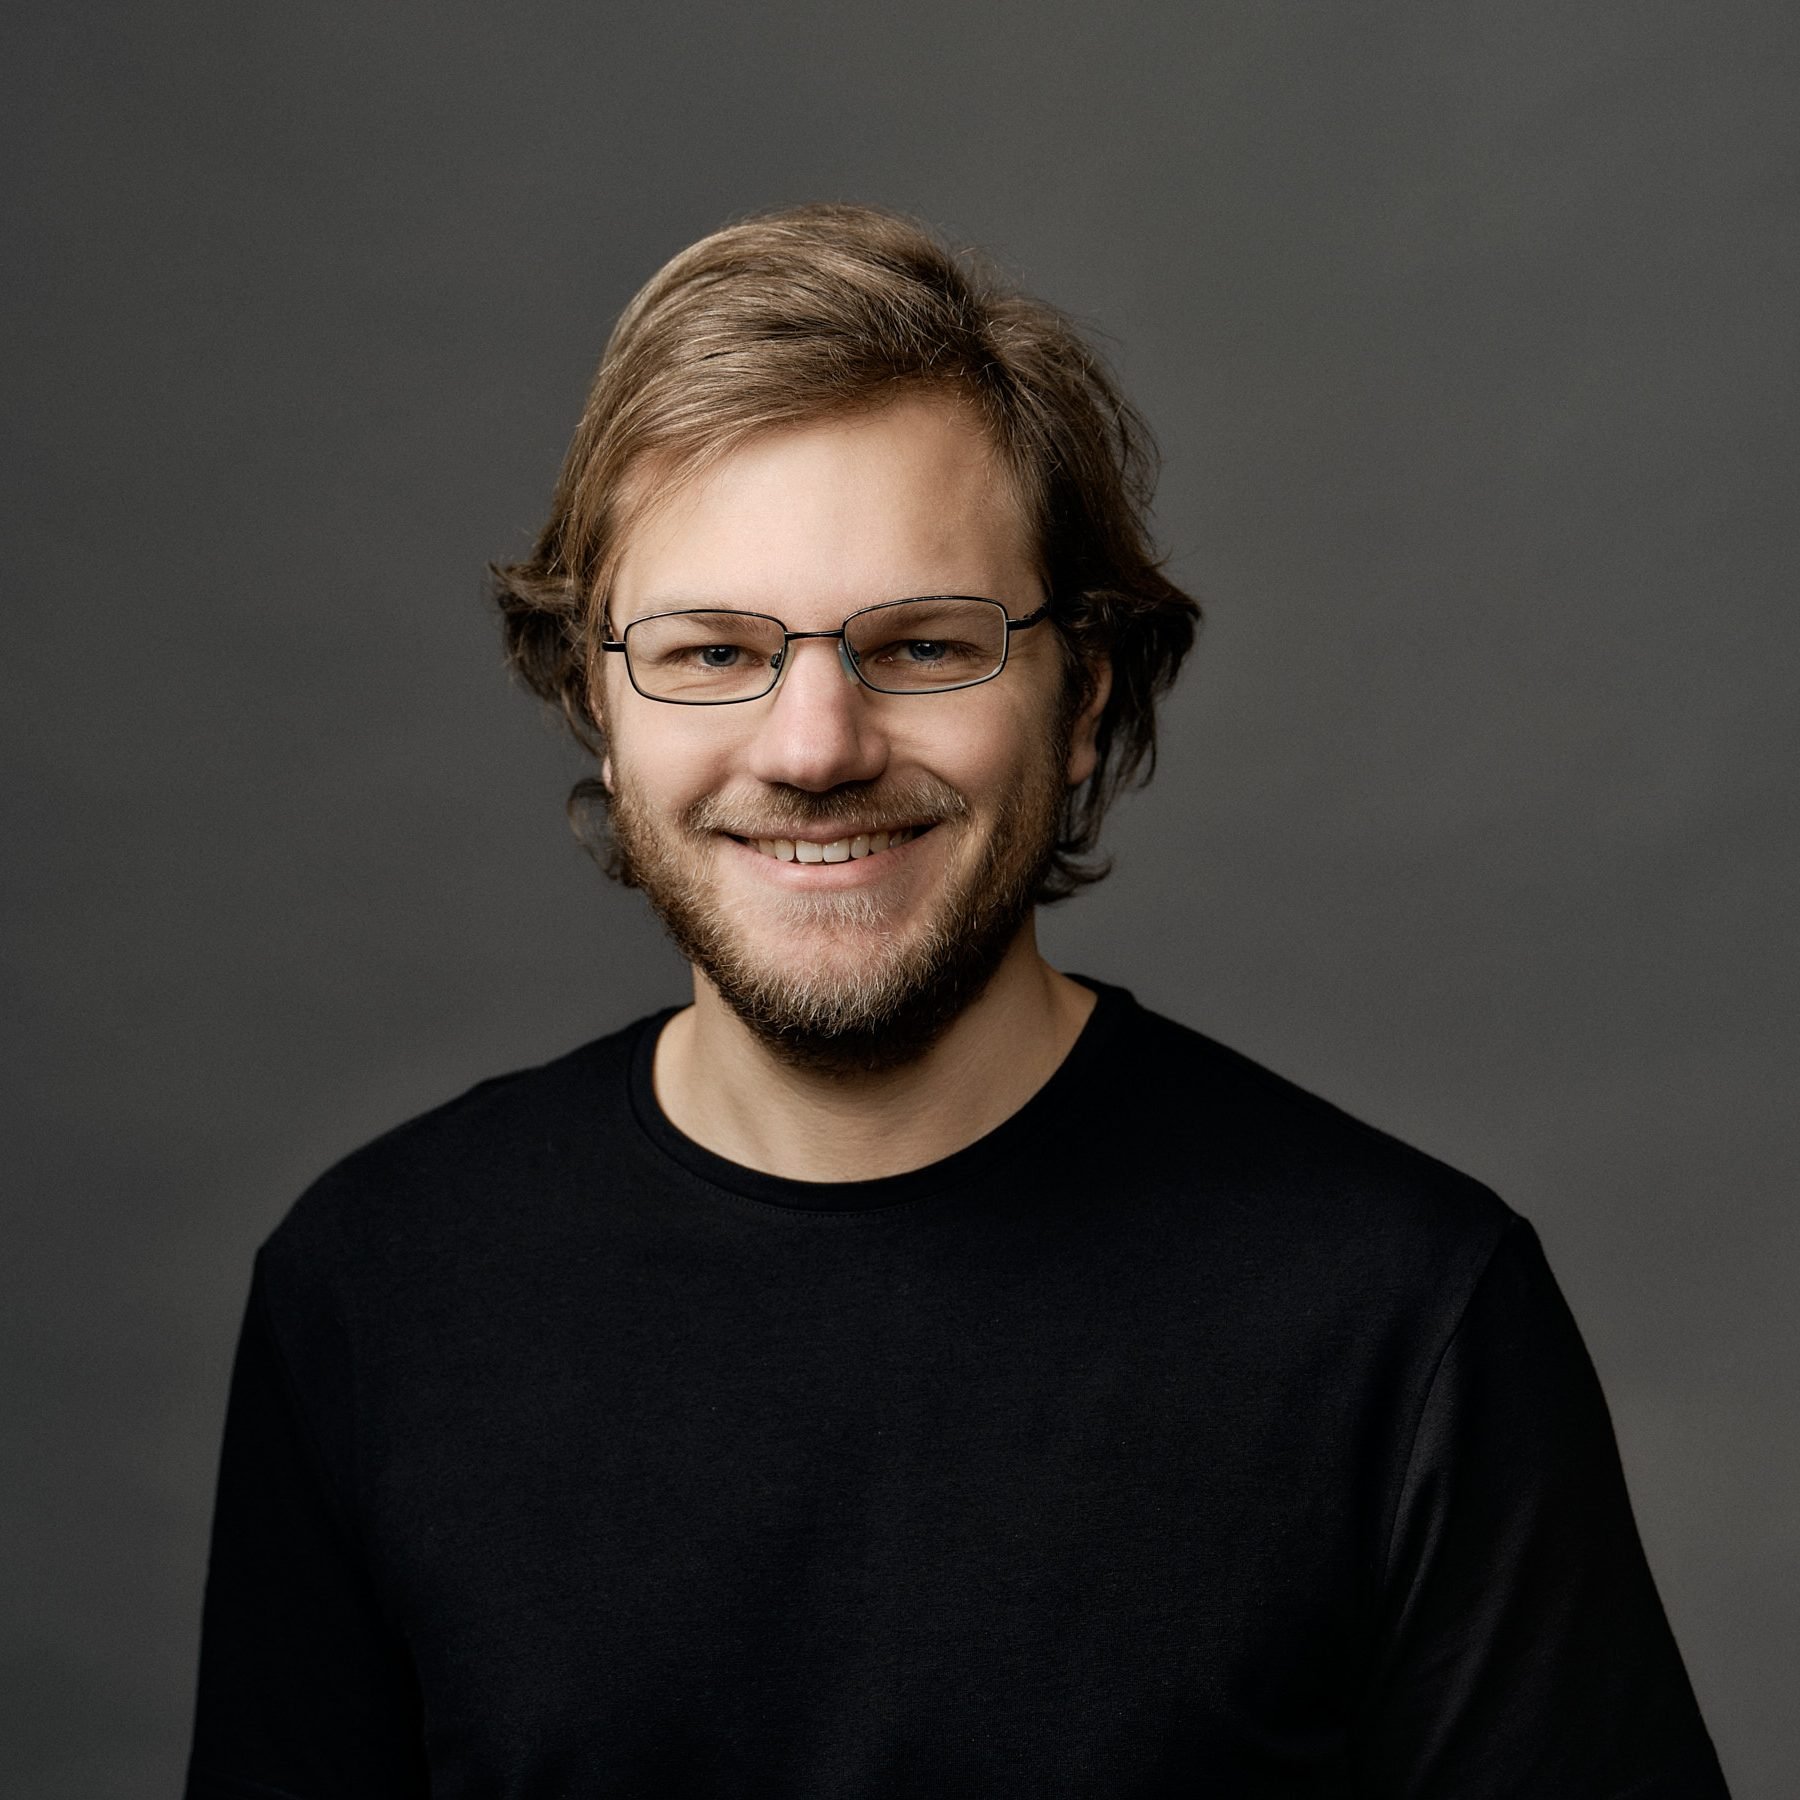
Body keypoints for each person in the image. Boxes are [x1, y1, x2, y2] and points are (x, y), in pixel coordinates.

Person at [186, 204, 1728, 1798]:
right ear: (600, 698)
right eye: (710, 653)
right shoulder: (374, 1290)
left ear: (1084, 700)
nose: (813, 747)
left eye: (925, 645)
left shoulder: (1409, 1320)